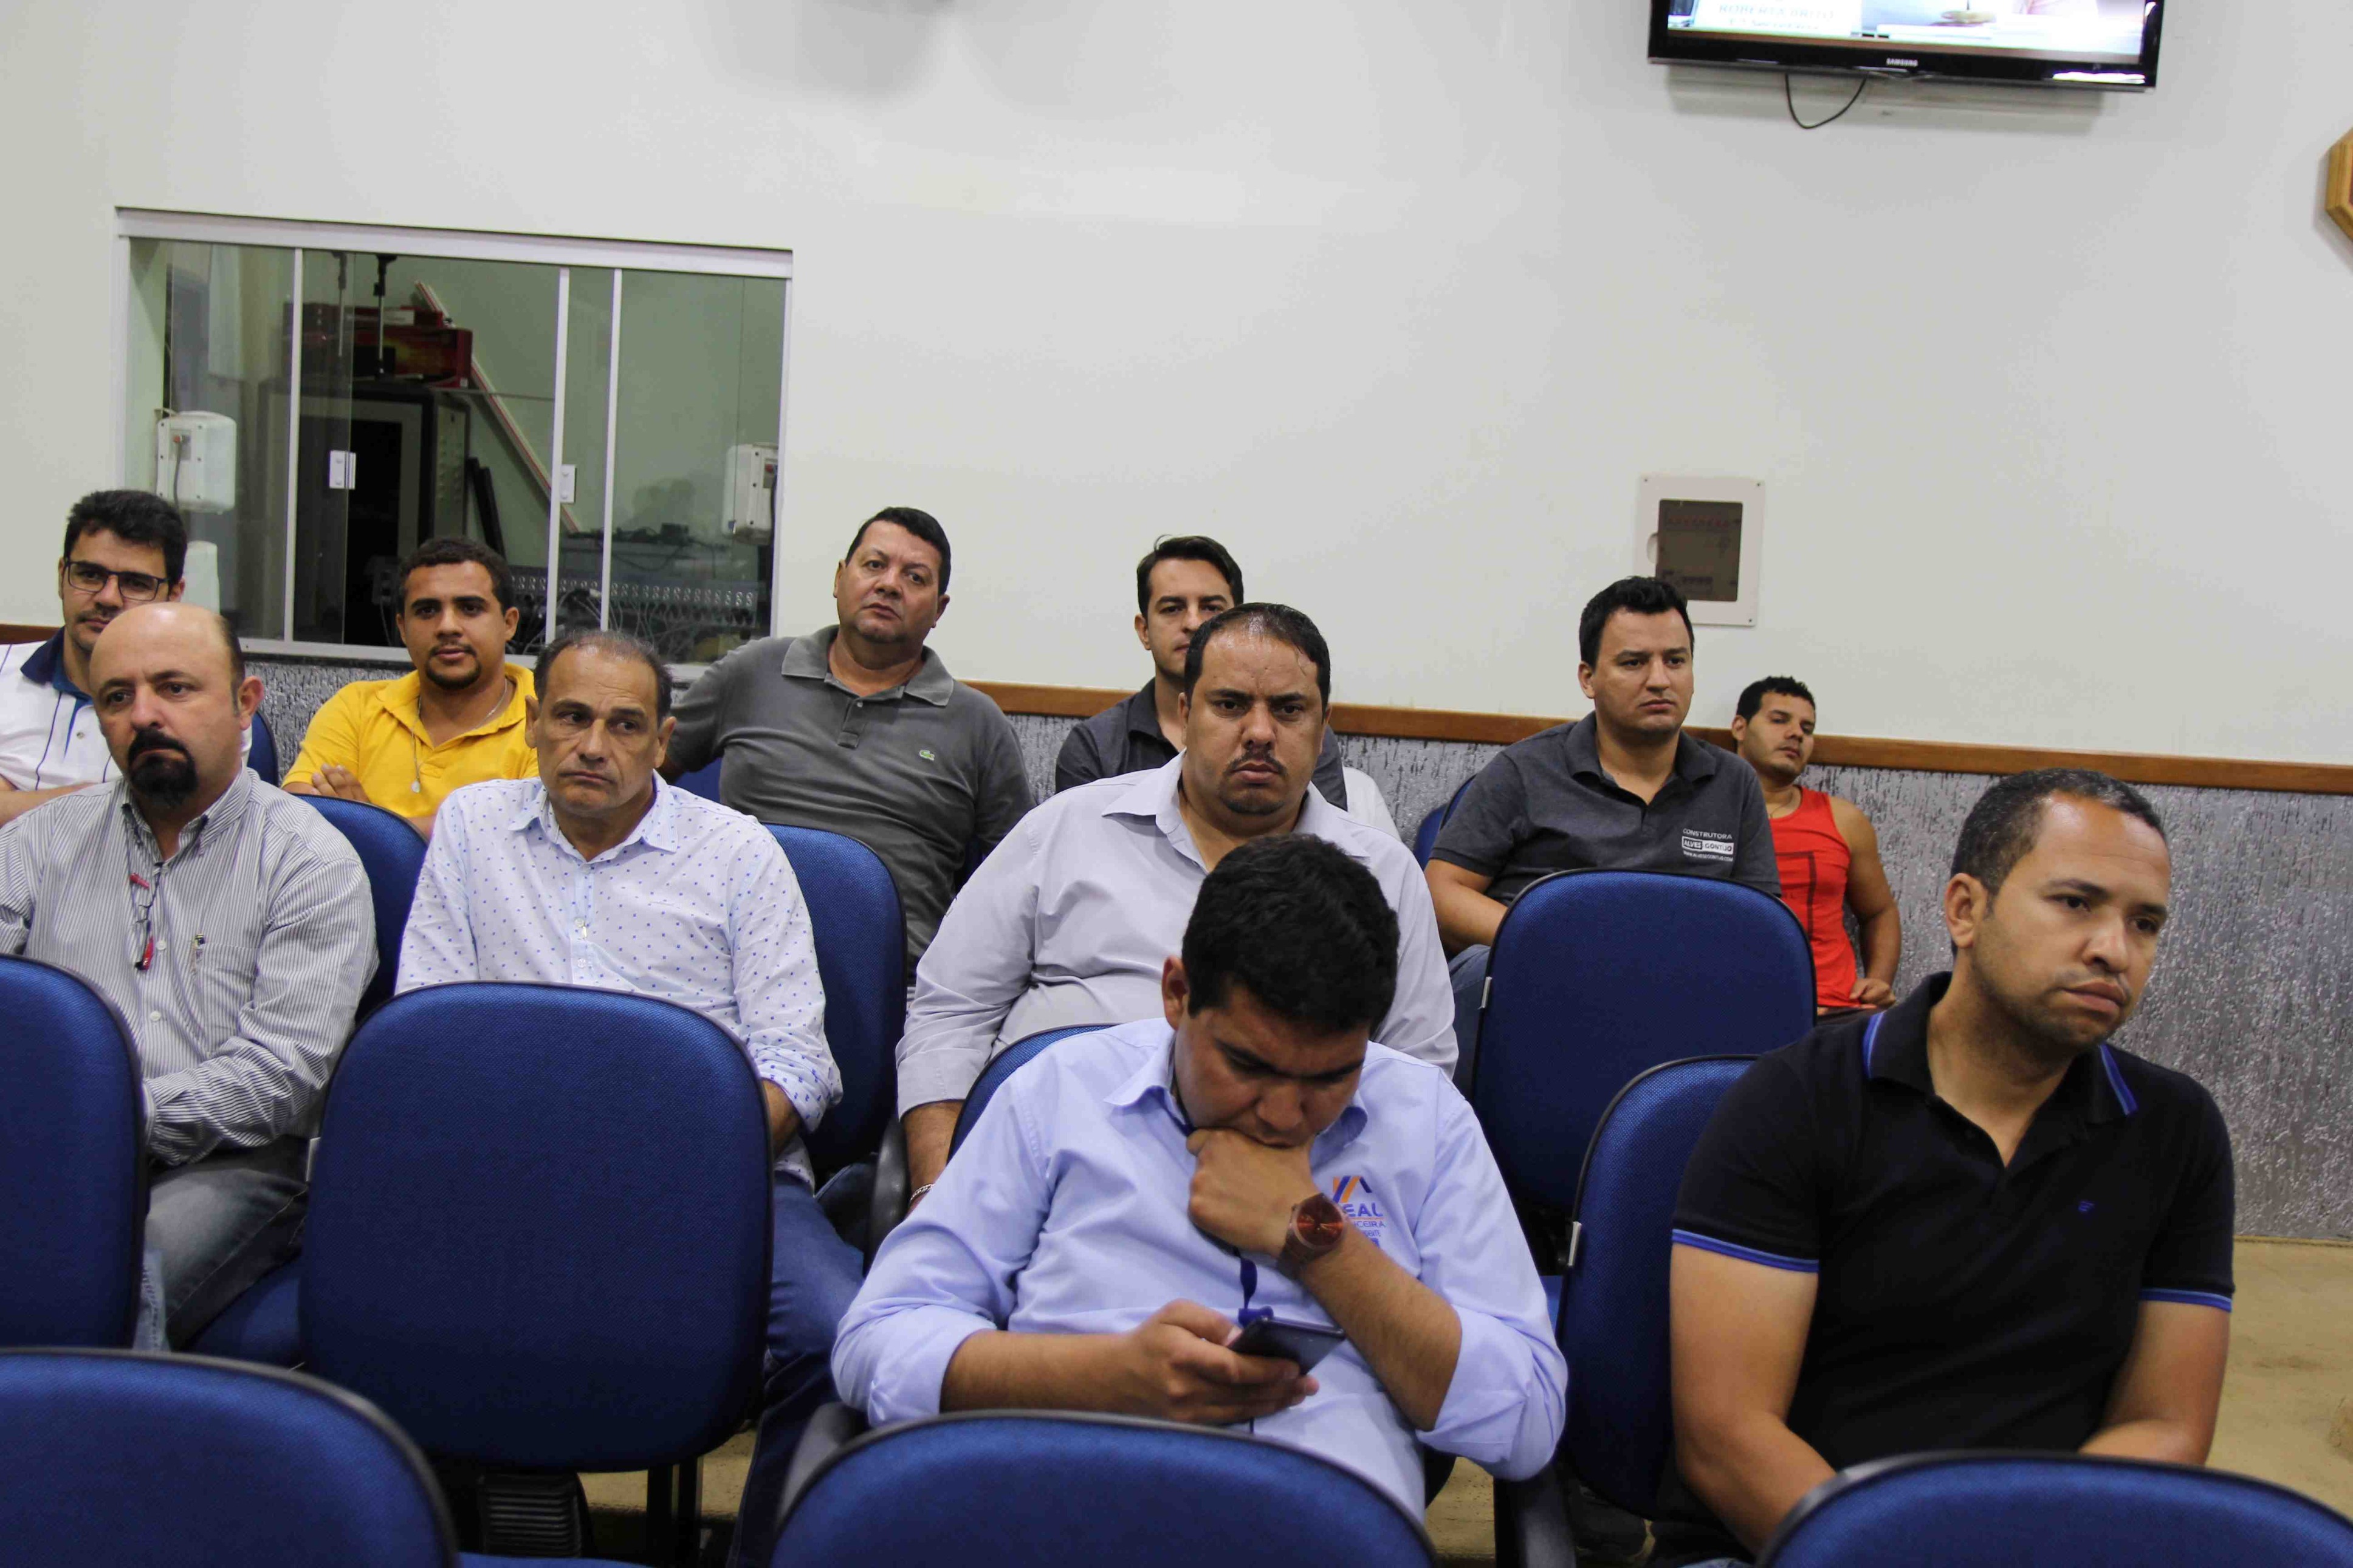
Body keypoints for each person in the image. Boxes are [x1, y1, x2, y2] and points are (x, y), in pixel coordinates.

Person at [836, 834, 1565, 1516]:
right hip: (1065, 1511)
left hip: (1316, 1529)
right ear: (1177, 993)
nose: (1282, 1115)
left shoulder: (1423, 1118)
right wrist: (1097, 1378)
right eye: (1246, 1064)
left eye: (1330, 1077)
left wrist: (1315, 1237)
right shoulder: (1058, 1092)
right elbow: (878, 1340)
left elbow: (1526, 1420)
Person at [1664, 769, 2232, 1565]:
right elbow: (1728, 1436)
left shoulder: (2176, 1128)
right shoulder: (1797, 1098)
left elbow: (2164, 1424)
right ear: (1965, 909)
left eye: (2144, 923)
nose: (2114, 949)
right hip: (1795, 1546)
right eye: (2076, 903)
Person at [396, 627, 856, 1568]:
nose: (592, 746)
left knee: (838, 1336)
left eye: (624, 724)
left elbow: (799, 1062)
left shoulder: (739, 853)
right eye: (571, 718)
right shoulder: (473, 829)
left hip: (717, 1180)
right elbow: (428, 1032)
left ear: (664, 740)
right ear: (534, 722)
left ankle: (760, 1555)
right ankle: (472, 1520)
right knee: (393, 1304)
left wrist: (688, 1167)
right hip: (508, 1173)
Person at [896, 603, 1457, 1200]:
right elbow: (949, 1014)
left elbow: (1417, 1082)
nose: (1260, 732)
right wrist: (938, 1192)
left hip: (1286, 1198)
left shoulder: (1382, 873)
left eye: (1289, 709)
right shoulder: (1064, 830)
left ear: (1323, 729)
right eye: (1231, 704)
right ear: (1185, 715)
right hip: (1048, 1181)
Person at [0, 603, 375, 1345]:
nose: (143, 715)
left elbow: (279, 1076)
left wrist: (103, 1120)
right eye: (117, 697)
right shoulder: (39, 842)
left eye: (175, 688)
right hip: (47, 1142)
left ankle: (86, 1422)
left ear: (245, 702)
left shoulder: (311, 863)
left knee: (105, 1268)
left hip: (237, 1162)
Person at [1426, 576, 1777, 1078]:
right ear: (1588, 678)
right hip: (1546, 987)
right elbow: (1441, 892)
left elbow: (1760, 922)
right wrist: (1560, 940)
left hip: (1682, 995)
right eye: (1634, 662)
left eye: (1676, 660)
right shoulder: (1524, 770)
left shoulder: (1733, 782)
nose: (1660, 680)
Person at [665, 507, 1031, 967]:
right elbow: (640, 775)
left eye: (915, 577)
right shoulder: (752, 672)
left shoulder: (979, 724)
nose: (889, 585)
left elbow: (1022, 880)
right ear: (840, 578)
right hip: (728, 961)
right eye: (874, 565)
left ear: (939, 610)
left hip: (897, 983)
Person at [1054, 535, 1352, 809]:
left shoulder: (1301, 732)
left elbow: (1328, 837)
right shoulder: (1095, 745)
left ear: (1241, 622)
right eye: (1172, 608)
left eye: (1211, 607)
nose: (1194, 623)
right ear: (1144, 630)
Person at [283, 538, 535, 837]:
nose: (447, 626)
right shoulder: (358, 707)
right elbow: (296, 813)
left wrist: (370, 826)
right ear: (403, 628)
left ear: (509, 623)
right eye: (427, 611)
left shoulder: (549, 716)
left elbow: (525, 831)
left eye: (469, 608)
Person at [1, 490, 207, 825]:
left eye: (136, 583)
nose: (108, 598)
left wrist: (15, 801)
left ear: (173, 595)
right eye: (90, 575)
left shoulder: (206, 701)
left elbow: (175, 827)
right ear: (62, 576)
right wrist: (107, 799)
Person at [1728, 676, 1900, 1013]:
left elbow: (1880, 912)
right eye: (1780, 720)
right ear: (1740, 728)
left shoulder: (1844, 820)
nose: (1796, 733)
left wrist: (1879, 982)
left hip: (1832, 1011)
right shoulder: (1699, 813)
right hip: (1731, 1007)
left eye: (1807, 728)